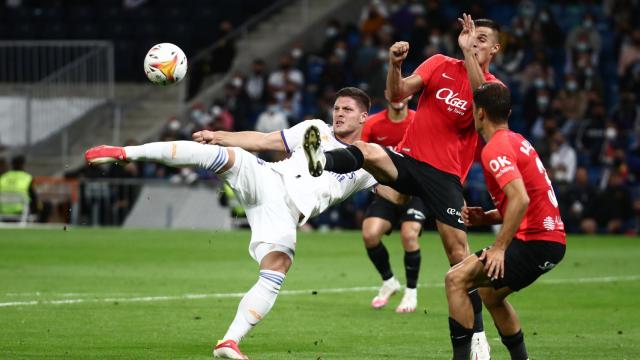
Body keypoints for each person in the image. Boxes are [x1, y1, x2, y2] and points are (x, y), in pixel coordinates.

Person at [84, 87, 405, 360]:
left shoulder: (369, 160)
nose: (339, 113)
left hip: (285, 215)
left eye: (347, 109)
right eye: (337, 108)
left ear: (364, 117)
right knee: (226, 155)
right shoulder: (315, 129)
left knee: (276, 270)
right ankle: (124, 152)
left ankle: (228, 341)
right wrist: (220, 135)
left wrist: (420, 192)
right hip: (269, 181)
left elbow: (396, 193)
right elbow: (265, 141)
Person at [304, 14, 501, 358]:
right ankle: (320, 161)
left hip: (445, 177)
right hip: (410, 160)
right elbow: (397, 94)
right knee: (368, 151)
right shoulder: (439, 63)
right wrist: (395, 65)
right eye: (472, 36)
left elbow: (479, 97)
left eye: (483, 39)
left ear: (495, 49)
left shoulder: (495, 88)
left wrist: (469, 53)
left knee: (459, 257)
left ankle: (479, 335)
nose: (475, 41)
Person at [446, 83, 566, 360]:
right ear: (508, 112)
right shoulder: (518, 140)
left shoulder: (495, 148)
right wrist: (487, 216)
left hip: (534, 241)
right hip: (550, 241)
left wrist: (499, 247)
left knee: (455, 279)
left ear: (479, 114)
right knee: (490, 295)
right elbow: (527, 199)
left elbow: (521, 199)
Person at [360, 92, 427, 312]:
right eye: (394, 93)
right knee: (370, 234)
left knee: (409, 235)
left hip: (415, 192)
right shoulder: (373, 124)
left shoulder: (419, 121)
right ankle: (389, 281)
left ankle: (411, 293)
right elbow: (361, 155)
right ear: (387, 95)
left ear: (409, 95)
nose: (398, 97)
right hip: (387, 191)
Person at [0, 155, 39, 220]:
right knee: (47, 205)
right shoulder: (27, 177)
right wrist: (35, 211)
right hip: (21, 211)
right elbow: (33, 197)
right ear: (22, 165)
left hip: (3, 211)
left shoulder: (3, 177)